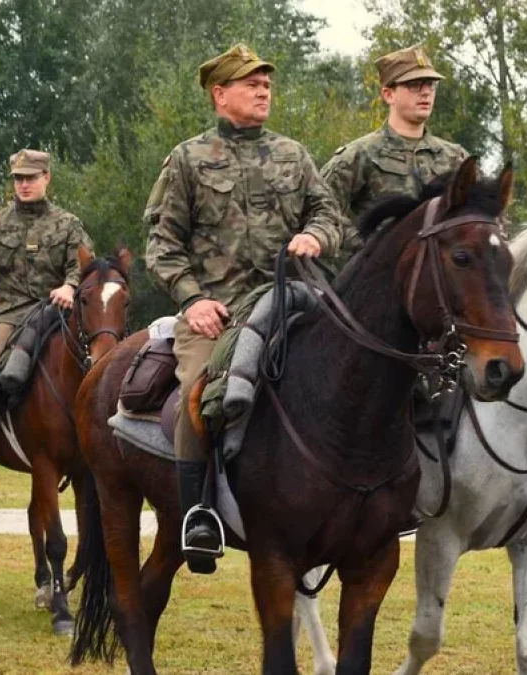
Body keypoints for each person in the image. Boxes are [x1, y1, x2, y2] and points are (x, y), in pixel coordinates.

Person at [144, 43, 344, 571]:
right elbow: (161, 246)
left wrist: (316, 236)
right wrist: (193, 299)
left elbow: (329, 213)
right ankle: (199, 516)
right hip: (220, 310)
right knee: (198, 392)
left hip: (293, 299)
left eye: (267, 83)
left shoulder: (293, 154)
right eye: (250, 83)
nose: (263, 90)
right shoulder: (187, 159)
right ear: (220, 93)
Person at [0, 149, 93, 475]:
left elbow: (86, 266)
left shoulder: (68, 224)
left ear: (46, 178)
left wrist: (70, 286)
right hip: (9, 315)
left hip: (56, 315)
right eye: (18, 178)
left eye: (30, 178)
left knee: (96, 368)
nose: (24, 185)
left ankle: (100, 441)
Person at [321, 46, 468, 255]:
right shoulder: (360, 154)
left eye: (430, 85)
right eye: (414, 85)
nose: (425, 92)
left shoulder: (456, 158)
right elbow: (320, 211)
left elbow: (485, 215)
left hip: (440, 277)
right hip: (377, 279)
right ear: (389, 94)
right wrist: (370, 243)